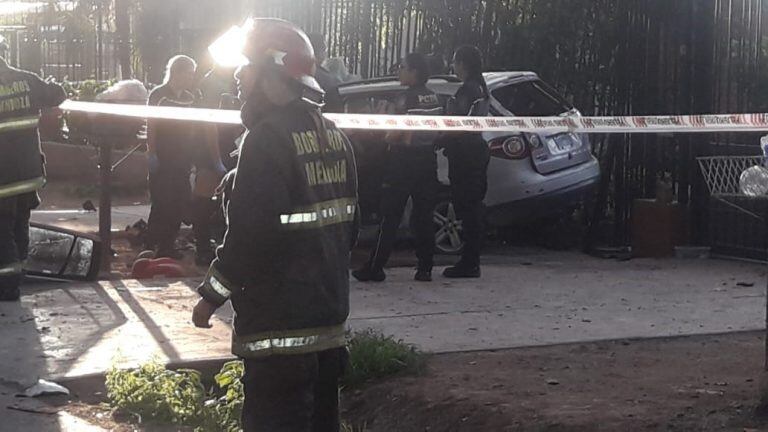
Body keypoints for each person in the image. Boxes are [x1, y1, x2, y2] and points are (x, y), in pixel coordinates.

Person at [191, 19, 359, 432]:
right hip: (326, 321)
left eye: (245, 67)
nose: (238, 77)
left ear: (273, 71)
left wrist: (210, 296)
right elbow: (349, 229)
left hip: (279, 328)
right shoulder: (334, 136)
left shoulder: (266, 139)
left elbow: (252, 235)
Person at [352, 53, 441, 283]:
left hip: (404, 162)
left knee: (389, 215)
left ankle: (375, 267)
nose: (398, 71)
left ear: (414, 71)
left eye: (402, 67)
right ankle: (425, 268)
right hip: (427, 161)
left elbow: (396, 134)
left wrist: (380, 135)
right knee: (423, 216)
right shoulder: (434, 97)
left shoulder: (405, 99)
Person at [0, 35, 66, 301]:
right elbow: (57, 94)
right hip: (28, 174)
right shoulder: (27, 80)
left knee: (1, 230)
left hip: (2, 177)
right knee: (19, 225)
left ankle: (7, 285)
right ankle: (18, 277)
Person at [146, 55, 226, 261]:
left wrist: (215, 159)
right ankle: (158, 244)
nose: (192, 77)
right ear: (177, 73)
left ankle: (167, 244)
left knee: (180, 200)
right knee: (163, 201)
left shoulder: (193, 97)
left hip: (183, 157)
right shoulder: (159, 95)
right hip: (164, 157)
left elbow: (207, 124)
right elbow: (152, 125)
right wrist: (152, 152)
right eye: (189, 73)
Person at [438, 45, 491, 278]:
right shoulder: (481, 88)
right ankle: (471, 259)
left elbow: (457, 124)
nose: (453, 66)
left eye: (455, 62)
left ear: (463, 64)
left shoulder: (468, 89)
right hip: (475, 150)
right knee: (472, 207)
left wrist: (440, 137)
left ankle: (470, 262)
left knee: (467, 207)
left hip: (466, 154)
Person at [307, 33, 342, 112]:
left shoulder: (296, 74)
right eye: (325, 50)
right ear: (319, 52)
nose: (325, 54)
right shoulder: (328, 79)